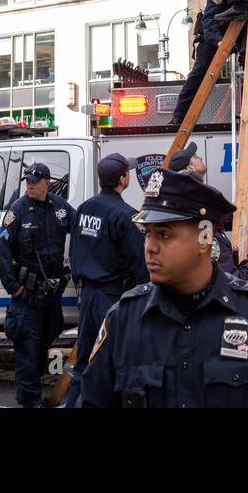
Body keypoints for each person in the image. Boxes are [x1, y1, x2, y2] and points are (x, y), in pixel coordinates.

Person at [79, 168, 248, 407]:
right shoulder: (123, 319)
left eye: (164, 235)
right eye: (146, 233)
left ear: (205, 237)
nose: (149, 247)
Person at [65, 153, 148, 407]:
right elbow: (140, 264)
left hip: (88, 295)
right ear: (123, 179)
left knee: (83, 361)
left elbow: (74, 251)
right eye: (128, 172)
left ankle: (73, 404)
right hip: (113, 298)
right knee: (115, 360)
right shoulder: (127, 216)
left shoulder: (85, 208)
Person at [0, 161, 75, 407]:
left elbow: (81, 230)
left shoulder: (60, 207)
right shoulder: (17, 210)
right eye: (27, 182)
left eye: (34, 182)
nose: (29, 186)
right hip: (27, 296)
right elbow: (1, 253)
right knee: (27, 352)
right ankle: (30, 400)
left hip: (51, 295)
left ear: (46, 183)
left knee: (44, 345)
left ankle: (25, 391)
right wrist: (14, 288)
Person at [166, 143, 248, 282]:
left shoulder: (186, 208)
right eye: (194, 156)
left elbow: (215, 216)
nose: (199, 157)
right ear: (190, 167)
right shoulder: (208, 233)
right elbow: (231, 281)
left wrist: (245, 215)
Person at [169, 0, 237, 124]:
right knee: (197, 75)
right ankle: (178, 117)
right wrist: (219, 41)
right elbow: (208, 21)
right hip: (210, 41)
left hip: (232, 40)